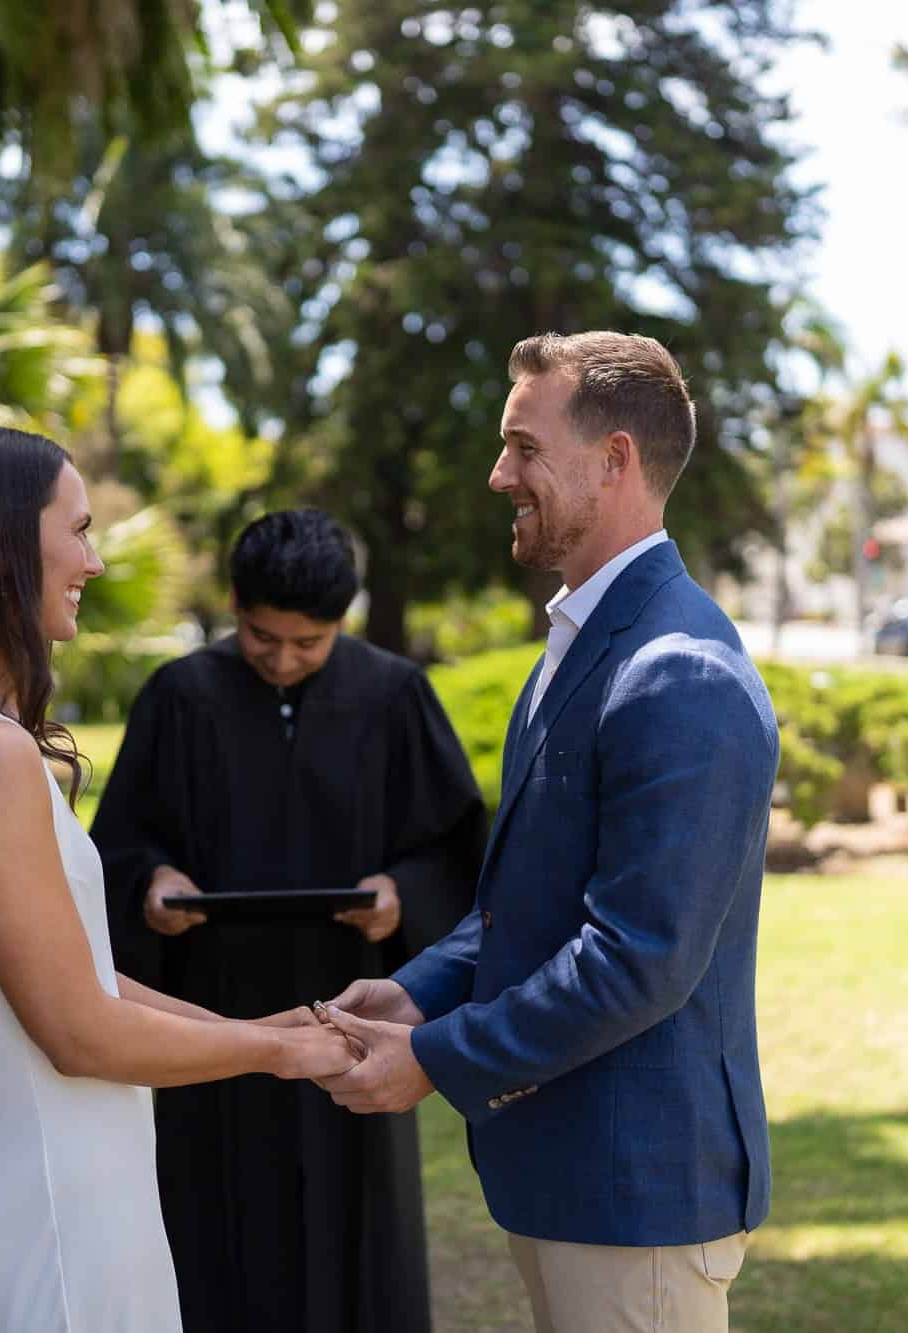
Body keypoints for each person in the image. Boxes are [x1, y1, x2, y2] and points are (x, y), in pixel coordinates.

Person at [0, 425, 357, 1333]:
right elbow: (79, 1032)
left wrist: (268, 1026)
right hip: (51, 1225)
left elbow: (87, 981)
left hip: (68, 1201)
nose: (96, 560)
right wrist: (279, 1052)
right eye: (76, 529)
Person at [318, 332, 781, 1333]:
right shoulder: (582, 642)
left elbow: (636, 958)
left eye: (522, 447)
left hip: (637, 1196)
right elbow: (525, 897)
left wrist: (436, 1055)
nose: (498, 475)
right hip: (574, 1179)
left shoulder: (679, 671)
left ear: (612, 460)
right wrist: (415, 988)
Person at [92, 508, 486, 1333]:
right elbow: (118, 847)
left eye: (309, 644)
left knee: (355, 1236)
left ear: (343, 617)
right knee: (212, 1226)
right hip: (211, 1016)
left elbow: (457, 850)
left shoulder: (393, 694)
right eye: (262, 637)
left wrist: (400, 893)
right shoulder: (179, 695)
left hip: (350, 1017)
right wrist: (150, 885)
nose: (282, 660)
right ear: (235, 602)